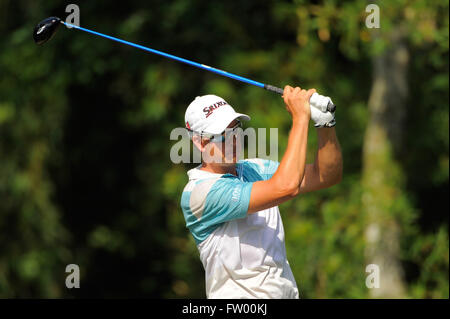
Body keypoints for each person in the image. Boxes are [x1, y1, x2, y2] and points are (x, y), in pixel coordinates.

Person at [180, 86, 343, 298]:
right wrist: (300, 118)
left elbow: (326, 175)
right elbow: (286, 187)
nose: (234, 140)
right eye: (223, 135)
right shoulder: (199, 193)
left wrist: (325, 124)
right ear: (200, 142)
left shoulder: (254, 168)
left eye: (236, 130)